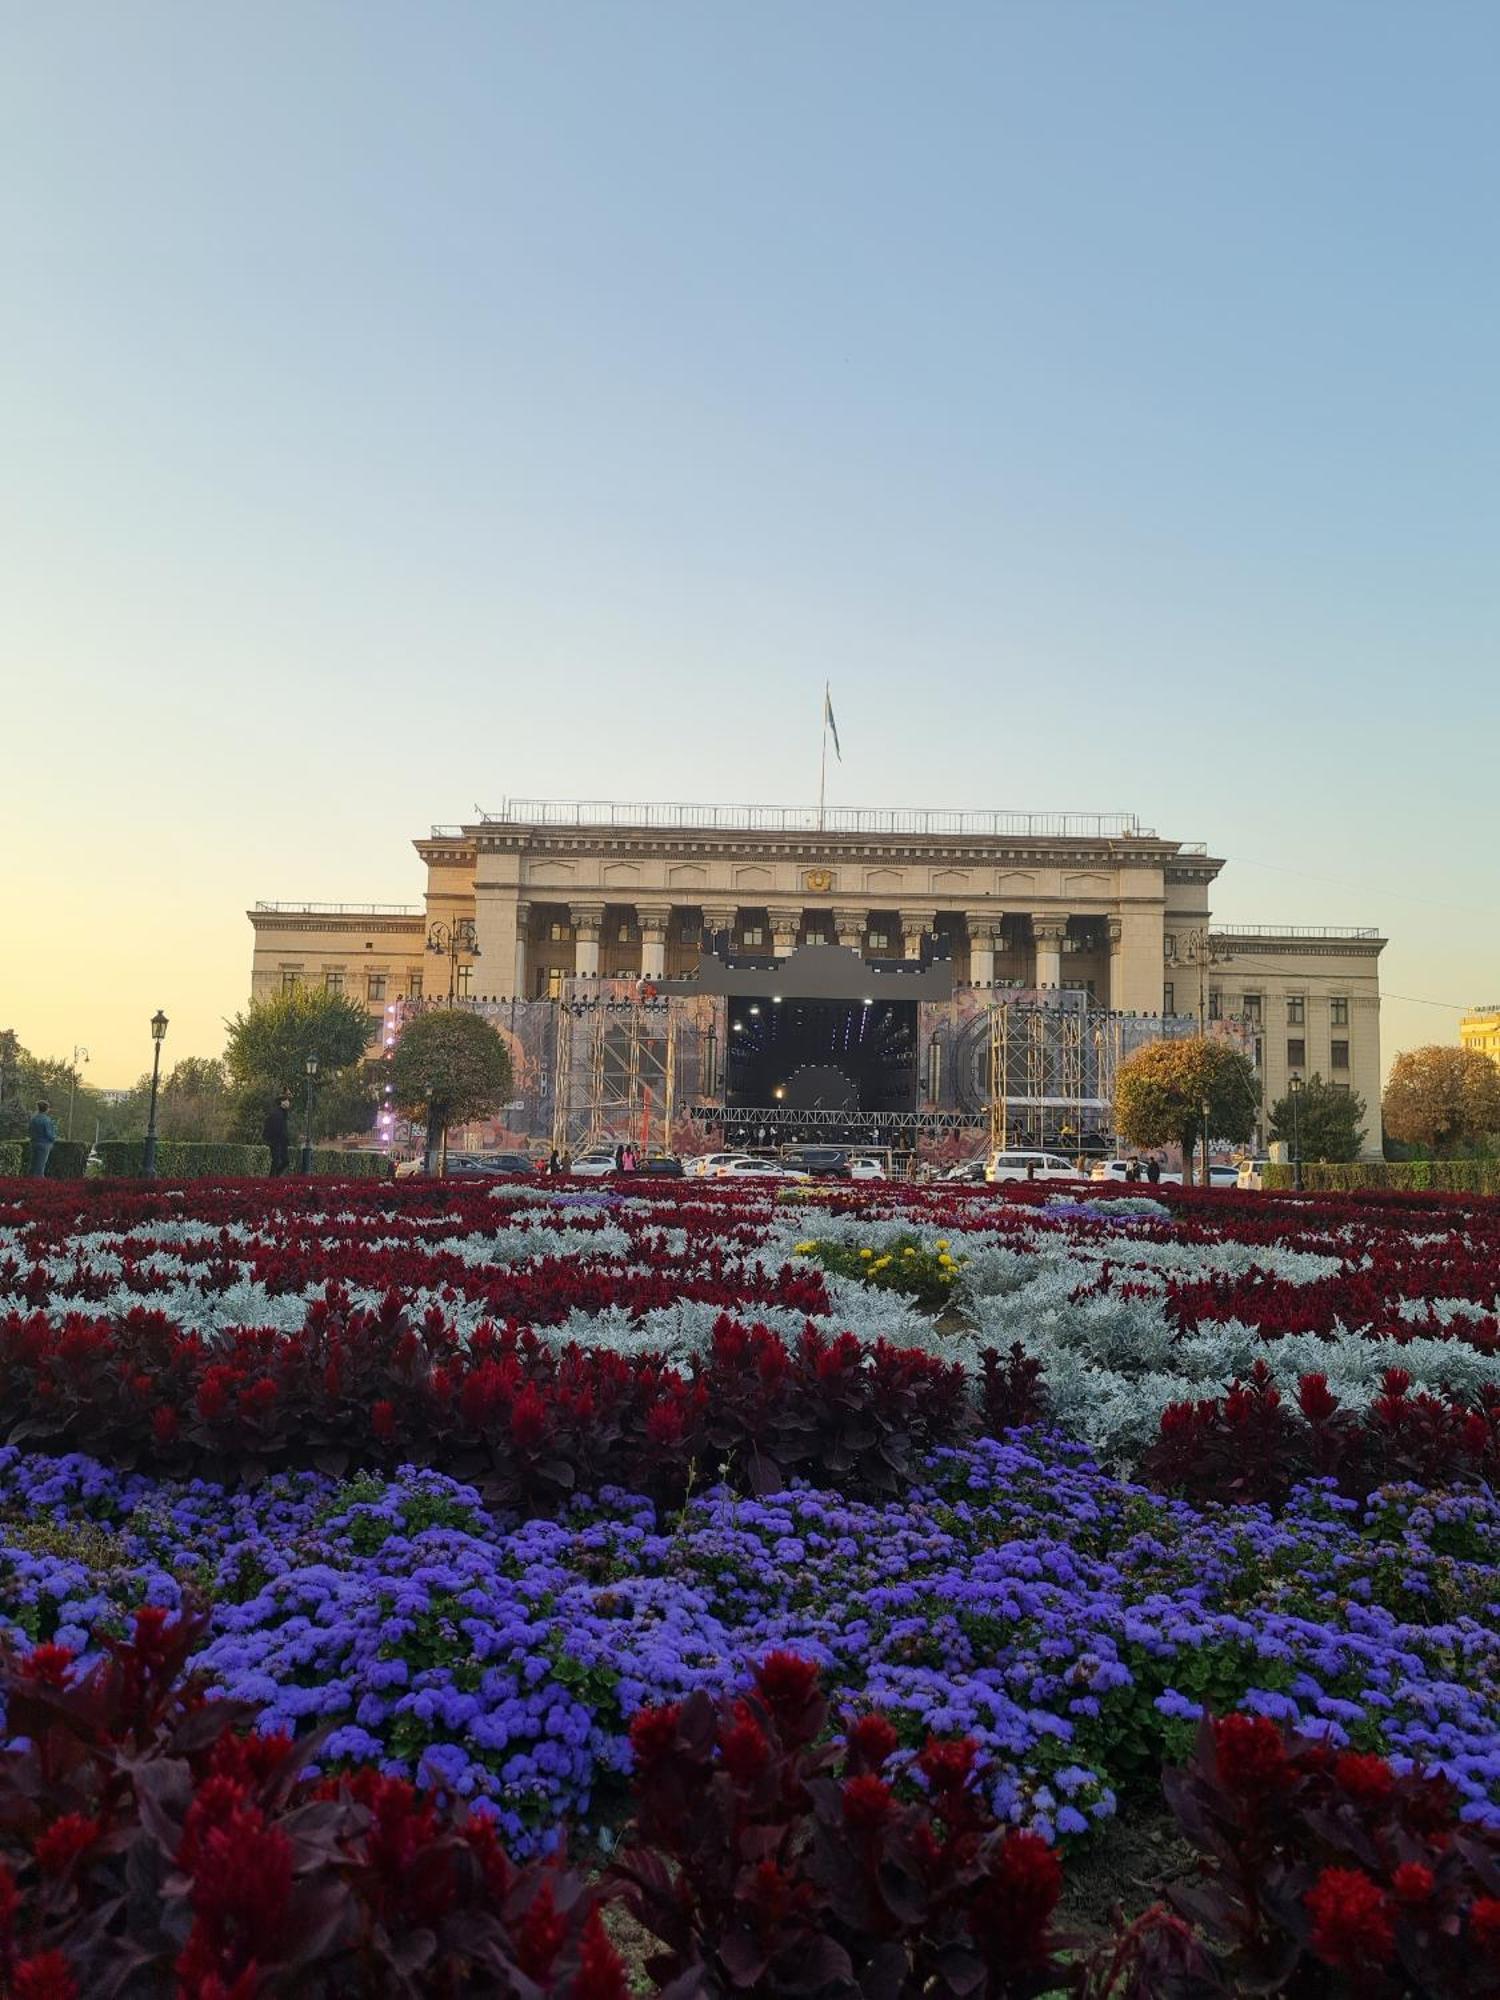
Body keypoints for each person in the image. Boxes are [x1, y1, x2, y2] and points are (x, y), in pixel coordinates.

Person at [263, 1093, 292, 1176]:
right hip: (276, 1142)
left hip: (282, 1142)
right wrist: (270, 1139)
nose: (288, 1102)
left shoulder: (284, 1113)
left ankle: (276, 1176)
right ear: (281, 1102)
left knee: (285, 1161)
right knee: (276, 1161)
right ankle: (272, 1178)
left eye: (288, 1101)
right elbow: (271, 1127)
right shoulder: (276, 1114)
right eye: (286, 1100)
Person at [27, 1100, 57, 1178]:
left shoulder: (33, 1119)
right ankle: (39, 1183)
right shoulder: (47, 1120)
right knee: (41, 1165)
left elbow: (29, 1130)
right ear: (46, 1109)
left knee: (33, 1165)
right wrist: (53, 1139)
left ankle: (30, 1181)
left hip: (34, 1143)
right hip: (44, 1144)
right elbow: (49, 1134)